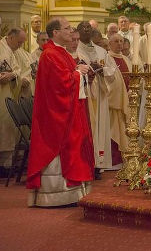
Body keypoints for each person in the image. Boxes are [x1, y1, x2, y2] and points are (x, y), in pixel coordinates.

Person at [26, 17, 94, 206]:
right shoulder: (50, 54)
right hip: (54, 114)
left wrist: (79, 71)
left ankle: (72, 194)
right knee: (61, 148)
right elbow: (61, 85)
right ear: (55, 32)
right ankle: (56, 196)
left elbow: (68, 77)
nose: (71, 32)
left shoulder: (61, 52)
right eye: (67, 28)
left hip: (68, 111)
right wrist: (78, 73)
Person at [76, 21, 116, 173]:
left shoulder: (101, 51)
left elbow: (112, 71)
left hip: (99, 94)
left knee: (100, 126)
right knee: (88, 126)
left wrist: (101, 69)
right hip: (84, 94)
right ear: (78, 32)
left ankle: (98, 165)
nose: (86, 30)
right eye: (83, 28)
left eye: (89, 28)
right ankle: (86, 163)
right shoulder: (75, 50)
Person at [0, 28, 32, 170]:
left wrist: (12, 76)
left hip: (7, 94)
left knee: (6, 127)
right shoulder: (3, 49)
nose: (20, 46)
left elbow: (17, 70)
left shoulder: (11, 52)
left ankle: (5, 165)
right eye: (19, 42)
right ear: (10, 37)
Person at [106, 34, 130, 168]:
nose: (119, 44)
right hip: (113, 104)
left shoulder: (126, 59)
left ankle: (124, 160)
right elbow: (109, 82)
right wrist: (120, 94)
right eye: (116, 41)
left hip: (127, 100)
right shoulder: (107, 59)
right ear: (110, 43)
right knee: (113, 131)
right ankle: (113, 162)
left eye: (121, 41)